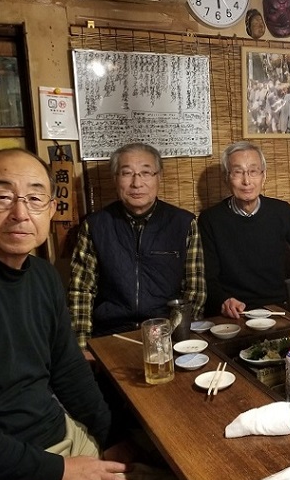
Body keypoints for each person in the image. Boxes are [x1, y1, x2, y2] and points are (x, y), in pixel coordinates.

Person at [0, 148, 185, 480]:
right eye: (3, 197)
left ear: (51, 209)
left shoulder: (41, 276)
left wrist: (110, 435)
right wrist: (62, 471)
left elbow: (68, 369)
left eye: (35, 199)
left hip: (57, 441)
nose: (20, 213)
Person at [69, 143, 206, 353]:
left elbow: (194, 291)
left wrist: (180, 338)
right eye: (127, 173)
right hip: (111, 334)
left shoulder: (183, 223)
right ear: (115, 178)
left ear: (159, 177)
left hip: (167, 336)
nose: (137, 183)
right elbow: (81, 292)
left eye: (145, 173)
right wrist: (82, 350)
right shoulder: (95, 225)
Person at [198, 141, 290, 318]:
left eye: (253, 171)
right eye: (238, 172)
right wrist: (223, 300)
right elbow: (208, 277)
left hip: (278, 309)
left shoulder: (281, 212)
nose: (247, 181)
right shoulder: (210, 219)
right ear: (226, 178)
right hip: (236, 313)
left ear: (264, 176)